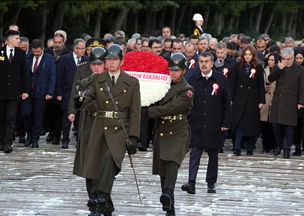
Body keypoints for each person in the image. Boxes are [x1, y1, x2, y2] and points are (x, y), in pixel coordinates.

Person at [82, 44, 141, 215]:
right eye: (109, 59)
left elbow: (135, 112)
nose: (112, 62)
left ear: (121, 61)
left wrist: (134, 137)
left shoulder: (131, 82)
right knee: (95, 164)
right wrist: (95, 107)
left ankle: (102, 194)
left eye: (115, 59)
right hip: (100, 126)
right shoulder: (98, 79)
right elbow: (87, 97)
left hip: (120, 129)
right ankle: (102, 202)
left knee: (110, 159)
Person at [143, 53, 194, 216]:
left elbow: (170, 108)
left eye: (177, 70)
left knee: (172, 160)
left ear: (184, 71)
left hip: (178, 129)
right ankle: (169, 207)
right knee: (163, 168)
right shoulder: (162, 85)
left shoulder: (187, 90)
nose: (173, 73)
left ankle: (168, 193)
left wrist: (148, 112)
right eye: (171, 69)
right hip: (162, 129)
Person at [181, 52, 232, 194]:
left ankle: (211, 183)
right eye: (201, 61)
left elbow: (226, 102)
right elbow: (186, 101)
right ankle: (191, 182)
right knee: (195, 152)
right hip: (196, 122)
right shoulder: (192, 79)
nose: (203, 64)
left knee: (213, 154)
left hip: (214, 123)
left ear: (212, 63)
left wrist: (226, 122)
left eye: (206, 61)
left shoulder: (221, 79)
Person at [70, 46, 107, 215]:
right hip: (88, 124)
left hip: (106, 125)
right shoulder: (84, 80)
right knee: (88, 162)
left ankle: (101, 196)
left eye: (100, 64)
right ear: (90, 65)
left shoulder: (111, 80)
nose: (97, 67)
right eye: (94, 64)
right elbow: (76, 97)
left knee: (103, 163)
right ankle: (92, 198)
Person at [268, 48, 304, 158]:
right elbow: (270, 79)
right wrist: (278, 69)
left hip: (291, 101)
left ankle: (286, 149)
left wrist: (301, 102)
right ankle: (279, 145)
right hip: (278, 101)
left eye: (288, 59)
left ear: (293, 58)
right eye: (284, 59)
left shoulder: (300, 69)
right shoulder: (278, 67)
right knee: (275, 125)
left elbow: (302, 87)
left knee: (289, 128)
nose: (286, 61)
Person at [229, 46, 265, 156]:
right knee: (238, 124)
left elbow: (260, 85)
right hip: (239, 99)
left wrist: (261, 101)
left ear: (253, 55)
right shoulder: (237, 66)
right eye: (246, 54)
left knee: (251, 124)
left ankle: (250, 148)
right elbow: (232, 84)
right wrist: (231, 98)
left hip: (252, 99)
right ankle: (237, 147)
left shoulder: (258, 67)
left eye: (250, 54)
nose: (248, 56)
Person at [0, 30, 29, 153]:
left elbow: (24, 73)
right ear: (9, 39)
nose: (19, 40)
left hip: (15, 91)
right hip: (0, 91)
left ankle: (8, 143)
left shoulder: (21, 53)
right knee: (2, 117)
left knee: (11, 117)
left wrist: (25, 90)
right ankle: (2, 141)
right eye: (16, 38)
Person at [21, 39, 56, 148]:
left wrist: (50, 92)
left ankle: (35, 139)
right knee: (25, 113)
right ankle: (30, 135)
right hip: (28, 91)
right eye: (34, 51)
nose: (35, 54)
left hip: (42, 91)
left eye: (38, 52)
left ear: (43, 49)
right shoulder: (27, 58)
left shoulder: (49, 59)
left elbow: (52, 76)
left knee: (38, 116)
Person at [56, 38, 89, 149]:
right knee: (67, 118)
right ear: (75, 49)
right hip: (67, 92)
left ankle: (79, 140)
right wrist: (59, 93)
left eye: (85, 48)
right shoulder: (65, 59)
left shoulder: (87, 59)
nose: (84, 50)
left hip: (82, 93)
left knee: (80, 119)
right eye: (81, 48)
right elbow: (59, 77)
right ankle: (65, 139)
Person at [261, 53, 280, 153]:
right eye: (269, 60)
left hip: (275, 97)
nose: (270, 62)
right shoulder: (264, 70)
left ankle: (274, 144)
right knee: (264, 123)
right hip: (265, 97)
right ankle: (265, 145)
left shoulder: (280, 70)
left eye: (273, 60)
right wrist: (263, 86)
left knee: (274, 124)